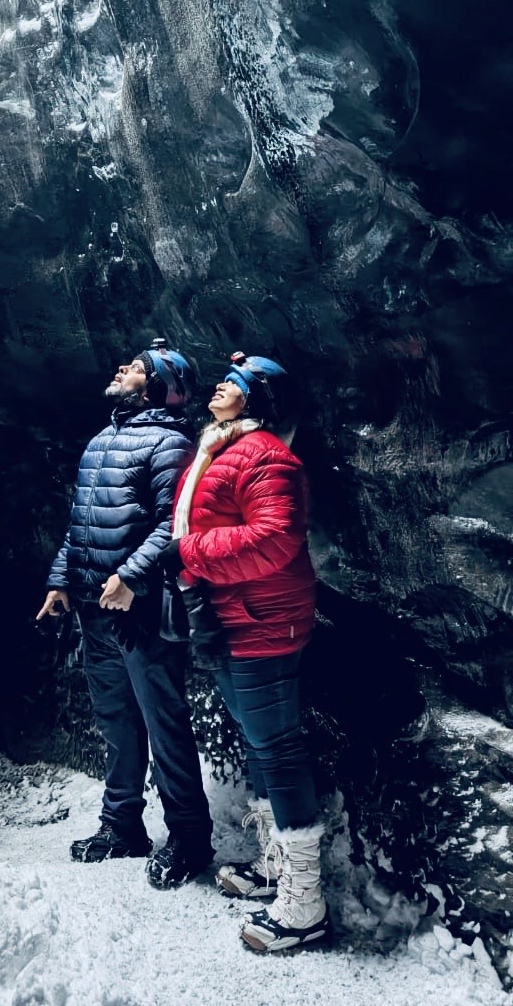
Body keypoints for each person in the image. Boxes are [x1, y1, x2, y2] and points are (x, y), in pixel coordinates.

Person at [163, 351, 329, 952]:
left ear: (255, 398)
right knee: (259, 742)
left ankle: (305, 905)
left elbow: (276, 538)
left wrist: (189, 554)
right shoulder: (221, 448)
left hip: (265, 620)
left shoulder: (266, 456)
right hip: (232, 619)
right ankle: (277, 869)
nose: (217, 387)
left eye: (230, 383)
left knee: (277, 749)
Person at [37, 338, 213, 889]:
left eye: (135, 368)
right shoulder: (102, 439)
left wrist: (130, 577)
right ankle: (122, 827)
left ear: (161, 384)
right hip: (95, 606)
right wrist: (60, 581)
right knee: (116, 721)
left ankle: (189, 837)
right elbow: (81, 522)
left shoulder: (170, 444)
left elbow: (172, 524)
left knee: (164, 723)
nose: (122, 369)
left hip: (139, 609)